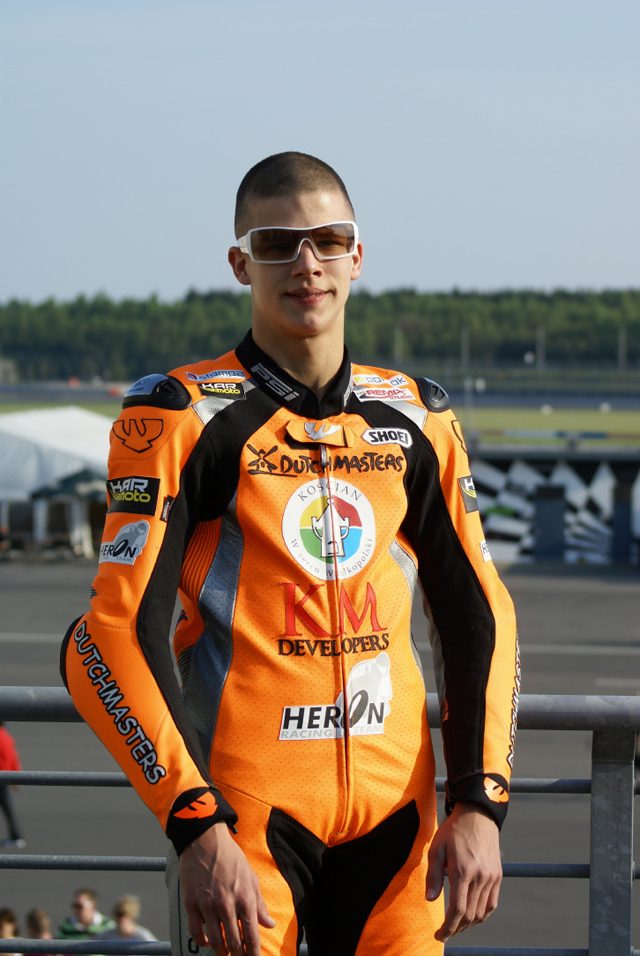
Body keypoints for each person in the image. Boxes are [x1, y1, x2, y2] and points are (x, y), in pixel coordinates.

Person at [61, 151, 519, 956]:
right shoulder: (182, 416)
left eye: (327, 240)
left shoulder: (418, 418)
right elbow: (110, 634)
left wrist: (481, 802)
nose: (306, 264)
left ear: (357, 255)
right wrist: (194, 823)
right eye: (276, 244)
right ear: (241, 264)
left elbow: (478, 612)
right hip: (244, 826)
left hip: (400, 822)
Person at [0, 721, 25, 849]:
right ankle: (16, 836)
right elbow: (13, 757)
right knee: (7, 808)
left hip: (2, 776)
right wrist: (16, 776)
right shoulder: (7, 737)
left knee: (7, 808)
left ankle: (16, 836)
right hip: (5, 777)